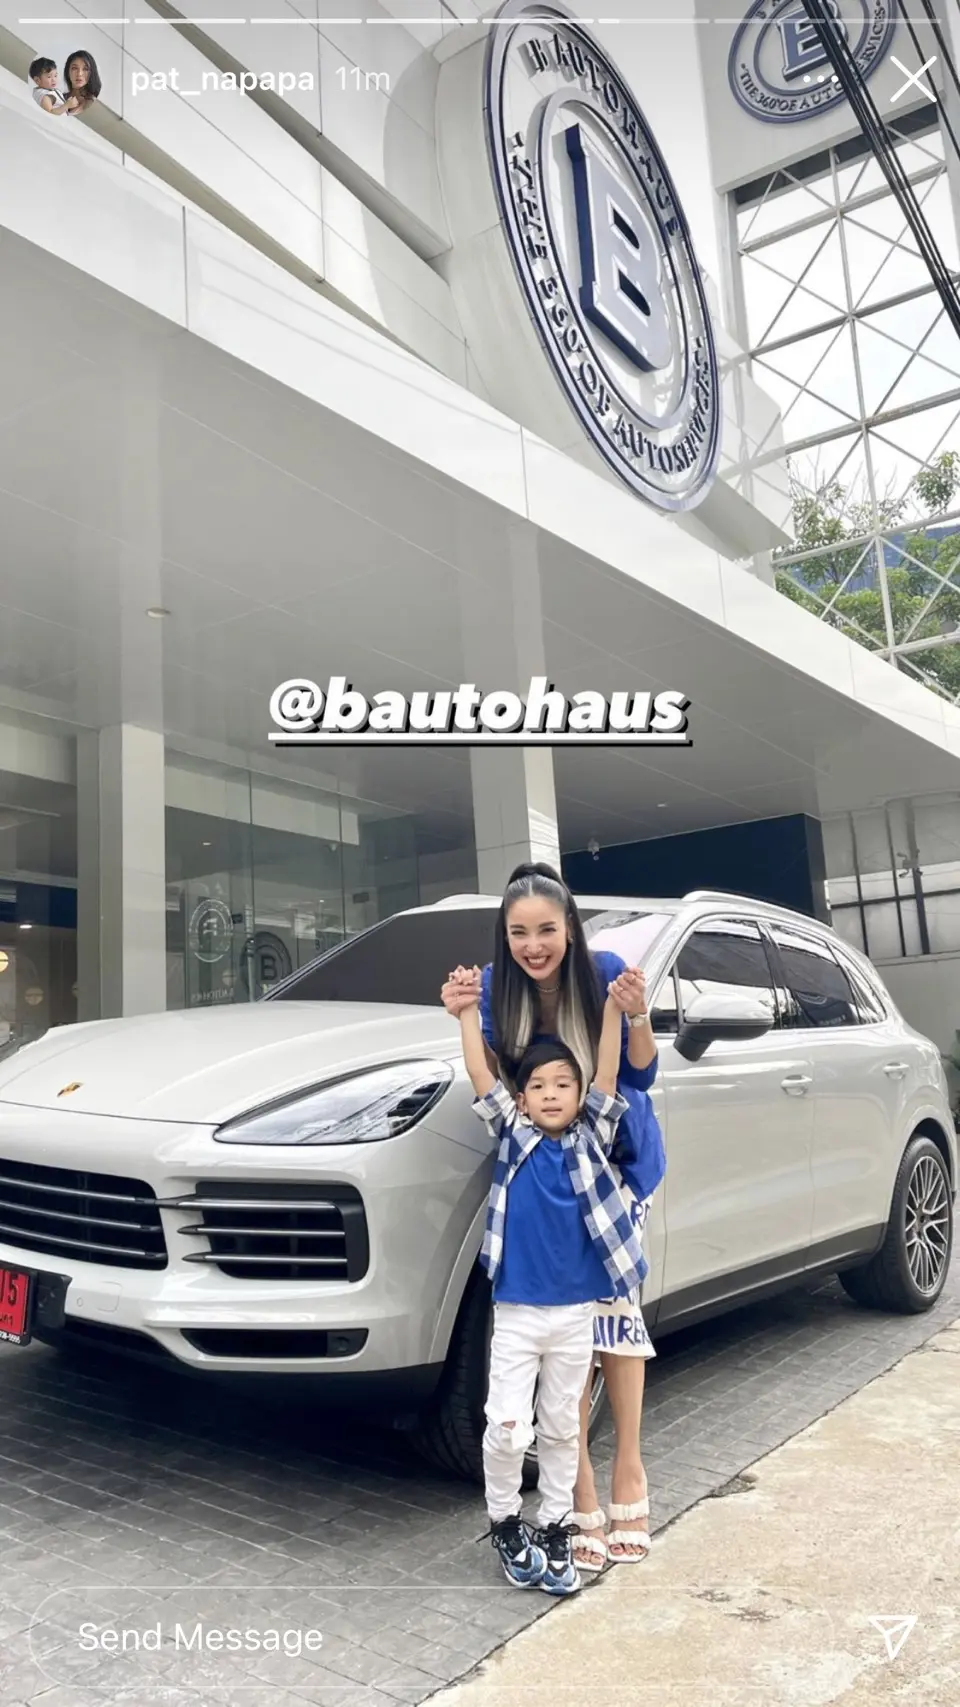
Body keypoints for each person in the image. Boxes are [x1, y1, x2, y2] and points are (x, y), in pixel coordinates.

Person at [472, 862, 665, 1574]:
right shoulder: (495, 988)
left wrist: (636, 1012)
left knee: (616, 1318)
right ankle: (577, 1487)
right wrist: (460, 1012)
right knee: (565, 1328)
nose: (534, 945)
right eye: (518, 932)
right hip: (548, 1169)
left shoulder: (604, 971)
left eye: (546, 929)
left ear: (571, 929)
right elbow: (492, 1078)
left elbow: (640, 1073)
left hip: (613, 1159)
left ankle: (629, 1470)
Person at [440, 964, 646, 1597]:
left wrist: (613, 1011)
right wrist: (466, 1015)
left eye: (563, 1084)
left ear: (580, 1095)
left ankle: (556, 1526)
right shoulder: (514, 1135)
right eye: (537, 1085)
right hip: (518, 1315)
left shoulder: (593, 1137)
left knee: (562, 1429)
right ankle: (506, 1521)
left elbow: (608, 1070)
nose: (551, 1094)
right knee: (507, 1428)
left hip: (575, 1317)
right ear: (522, 1098)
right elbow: (480, 1074)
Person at [62, 50, 101, 114]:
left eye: (85, 69)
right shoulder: (59, 97)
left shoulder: (92, 103)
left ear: (92, 73)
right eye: (75, 68)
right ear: (68, 72)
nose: (79, 74)